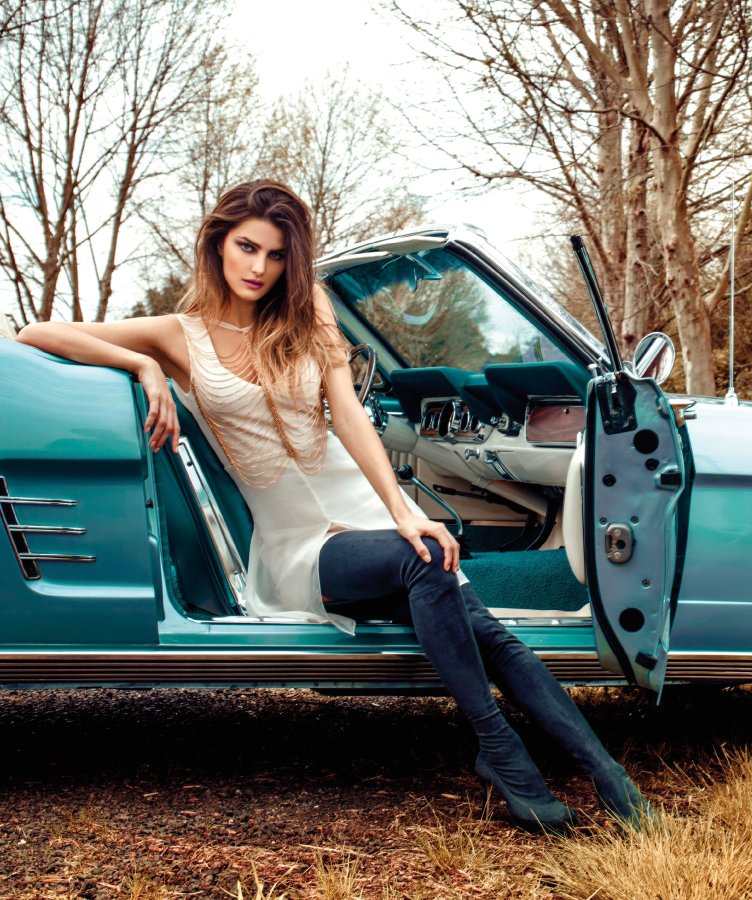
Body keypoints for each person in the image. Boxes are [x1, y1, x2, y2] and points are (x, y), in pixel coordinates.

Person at [17, 180, 654, 833]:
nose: (259, 267)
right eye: (246, 248)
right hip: (300, 545)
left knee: (483, 626)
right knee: (426, 565)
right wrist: (143, 366)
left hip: (368, 516)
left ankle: (607, 774)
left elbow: (348, 416)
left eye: (276, 255)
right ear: (218, 244)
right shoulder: (180, 335)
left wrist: (402, 511)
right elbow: (38, 331)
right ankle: (502, 750)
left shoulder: (309, 313)